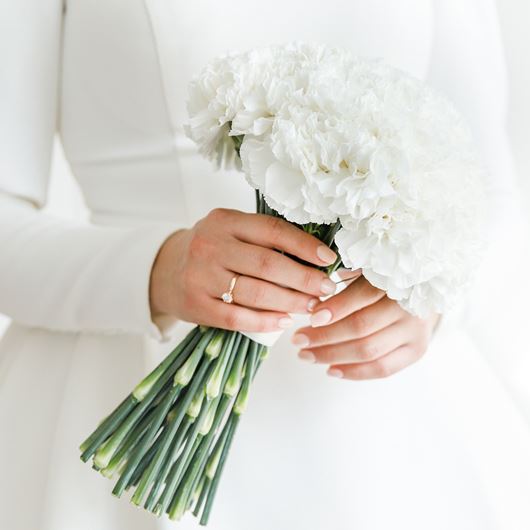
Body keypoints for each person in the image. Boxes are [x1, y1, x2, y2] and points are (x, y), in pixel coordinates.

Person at [1, 1, 529, 529]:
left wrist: (432, 300)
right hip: (125, 378)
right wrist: (160, 269)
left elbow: (495, 196)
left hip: (392, 438)